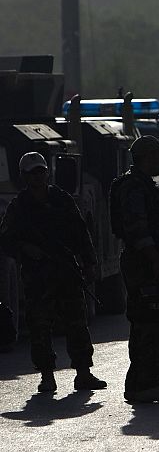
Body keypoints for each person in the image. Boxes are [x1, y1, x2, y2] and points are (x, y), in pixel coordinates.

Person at [0, 152, 106, 393]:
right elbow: (6, 240)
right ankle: (47, 375)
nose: (37, 177)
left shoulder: (61, 199)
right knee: (40, 326)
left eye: (40, 171)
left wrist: (90, 263)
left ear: (47, 173)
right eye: (32, 173)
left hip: (66, 270)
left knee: (77, 322)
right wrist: (26, 248)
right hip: (38, 275)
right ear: (24, 176)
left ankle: (83, 373)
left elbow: (81, 232)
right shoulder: (19, 206)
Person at [110, 135, 159, 404]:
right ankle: (147, 383)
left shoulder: (145, 187)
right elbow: (138, 229)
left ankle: (142, 383)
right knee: (150, 323)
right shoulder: (135, 188)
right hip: (144, 262)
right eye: (158, 155)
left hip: (149, 260)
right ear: (146, 157)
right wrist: (155, 261)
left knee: (154, 320)